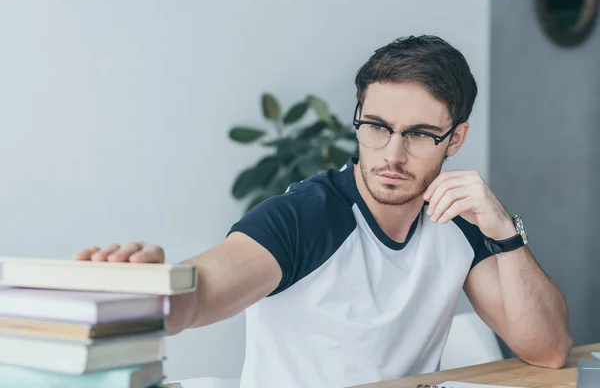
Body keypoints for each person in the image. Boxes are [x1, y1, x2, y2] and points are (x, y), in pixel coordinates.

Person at [74, 35, 572, 388]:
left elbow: (546, 350)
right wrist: (151, 284)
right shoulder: (304, 216)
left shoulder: (457, 219)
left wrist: (505, 232)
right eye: (377, 126)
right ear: (357, 122)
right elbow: (197, 298)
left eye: (420, 134)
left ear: (455, 139)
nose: (392, 155)